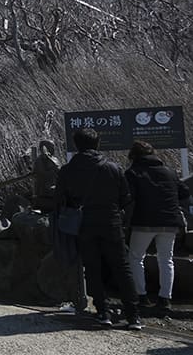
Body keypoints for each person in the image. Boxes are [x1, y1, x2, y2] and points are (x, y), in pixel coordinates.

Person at [55, 128, 141, 329]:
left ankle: (103, 311)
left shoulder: (67, 170)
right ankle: (133, 315)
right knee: (122, 267)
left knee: (92, 267)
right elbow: (125, 198)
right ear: (97, 144)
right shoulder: (113, 167)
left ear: (76, 145)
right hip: (111, 221)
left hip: (84, 224)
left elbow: (59, 199)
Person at [124, 140, 190, 315]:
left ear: (134, 155)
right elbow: (184, 193)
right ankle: (165, 299)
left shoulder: (133, 172)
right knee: (166, 259)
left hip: (144, 222)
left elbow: (127, 197)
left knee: (136, 257)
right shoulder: (169, 171)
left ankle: (141, 296)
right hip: (169, 222)